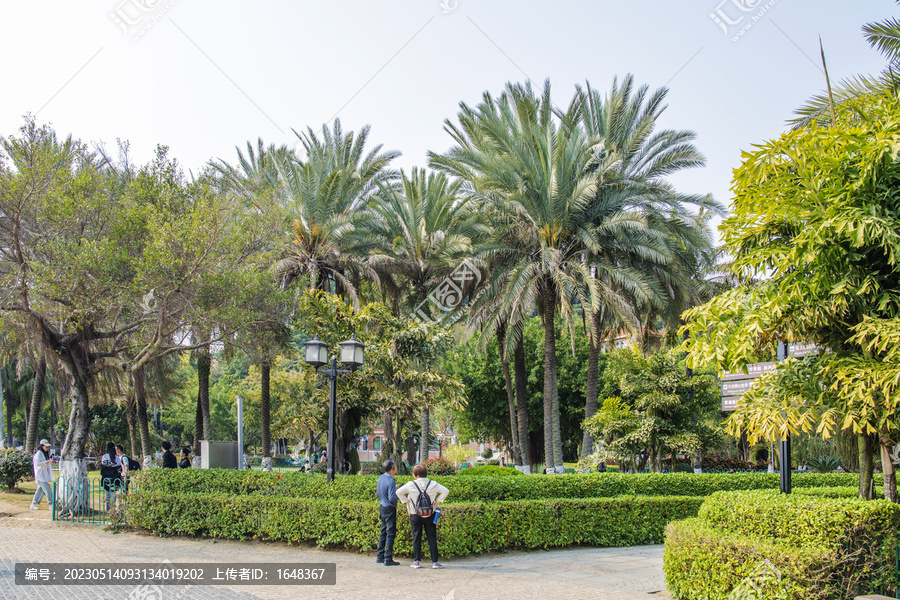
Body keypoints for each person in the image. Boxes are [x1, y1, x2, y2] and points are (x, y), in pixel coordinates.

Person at [396, 464, 449, 569]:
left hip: (415, 514)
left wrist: (407, 502)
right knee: (432, 536)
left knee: (416, 536)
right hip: (430, 513)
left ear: (415, 474)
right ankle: (435, 562)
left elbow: (398, 492)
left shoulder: (411, 484)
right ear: (426, 473)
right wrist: (437, 501)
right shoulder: (433, 484)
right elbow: (446, 491)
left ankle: (416, 561)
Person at [376, 459, 401, 566]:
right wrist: (399, 494)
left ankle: (380, 556)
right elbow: (392, 498)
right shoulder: (390, 480)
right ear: (392, 468)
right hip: (389, 509)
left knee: (383, 532)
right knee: (390, 533)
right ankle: (388, 558)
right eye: (395, 465)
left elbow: (378, 492)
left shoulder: (381, 478)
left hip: (382, 507)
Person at [30, 439, 55, 510]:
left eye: (48, 447)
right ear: (42, 446)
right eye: (46, 447)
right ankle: (51, 504)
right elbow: (38, 463)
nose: (47, 448)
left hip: (44, 475)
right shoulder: (38, 454)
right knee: (48, 490)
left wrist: (49, 462)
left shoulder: (43, 454)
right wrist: (47, 462)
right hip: (40, 476)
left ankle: (34, 503)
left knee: (40, 490)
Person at [99, 442, 123, 510]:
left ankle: (108, 509)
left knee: (107, 494)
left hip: (106, 479)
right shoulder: (116, 457)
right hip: (114, 479)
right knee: (112, 495)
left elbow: (103, 468)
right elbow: (119, 468)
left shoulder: (104, 457)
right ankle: (112, 509)